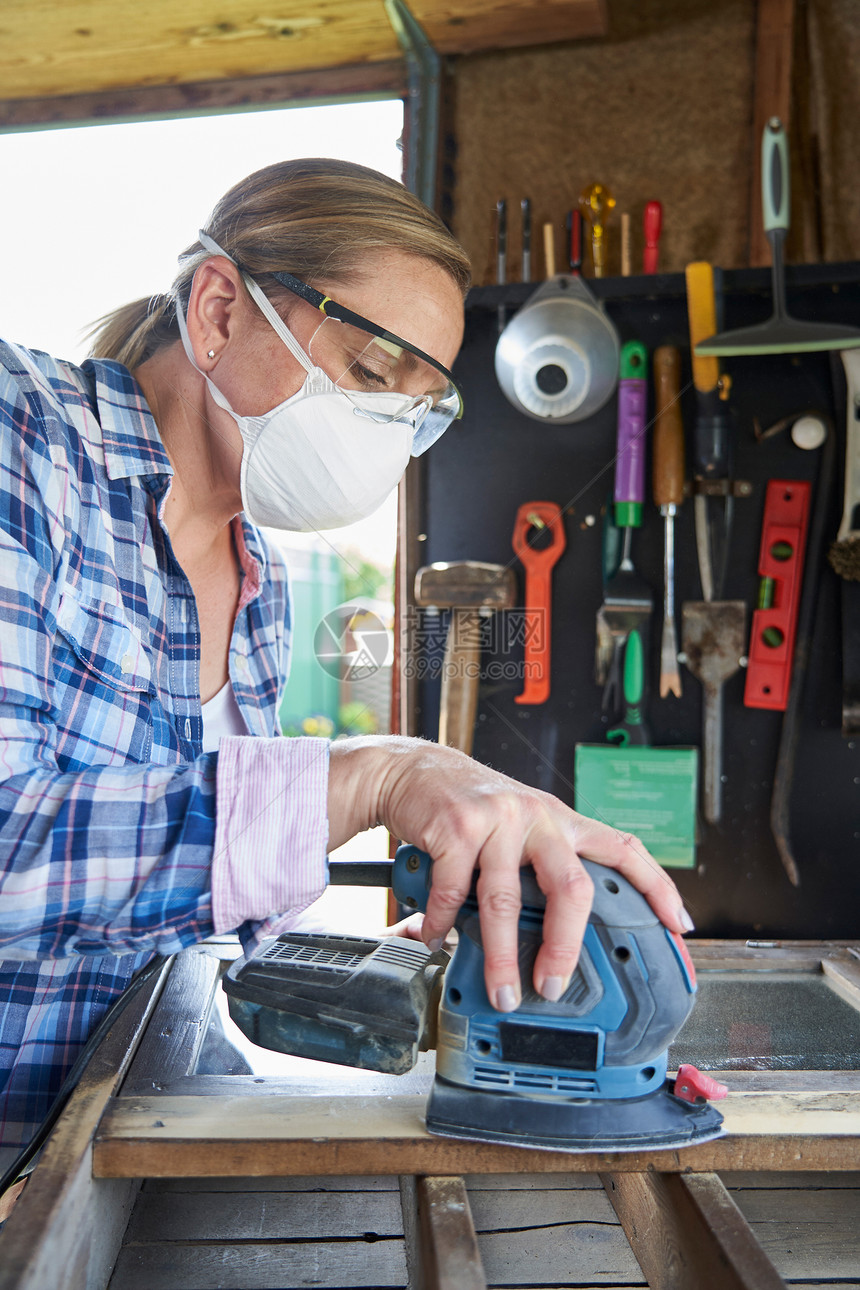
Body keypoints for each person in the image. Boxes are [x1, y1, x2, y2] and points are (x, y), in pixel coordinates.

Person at [0, 157, 692, 1169]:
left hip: (107, 1154)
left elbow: (180, 917)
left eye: (415, 409)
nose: (385, 431)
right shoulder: (24, 439)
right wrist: (376, 774)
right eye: (371, 375)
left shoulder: (259, 580)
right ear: (221, 308)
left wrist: (368, 976)